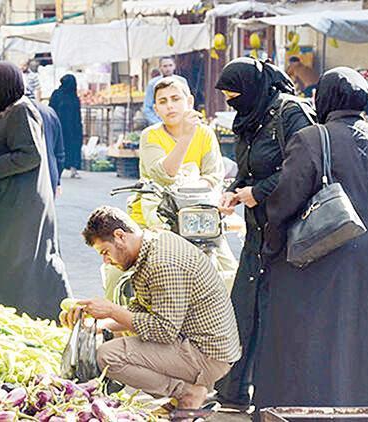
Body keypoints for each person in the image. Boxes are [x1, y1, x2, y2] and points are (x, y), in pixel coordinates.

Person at [255, 67, 368, 416]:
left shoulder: (313, 138)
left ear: (323, 99)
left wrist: (272, 247)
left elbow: (285, 200)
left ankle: (306, 412)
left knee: (313, 338)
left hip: (326, 250)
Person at [68, 206, 240, 416]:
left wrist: (112, 310)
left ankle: (187, 393)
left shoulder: (162, 264)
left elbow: (163, 330)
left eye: (105, 252)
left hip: (207, 354)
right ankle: (181, 397)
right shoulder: (152, 245)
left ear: (120, 236)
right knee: (119, 339)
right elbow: (141, 313)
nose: (106, 260)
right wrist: (95, 321)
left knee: (108, 356)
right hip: (195, 343)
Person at [213, 57, 314, 411]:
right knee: (244, 307)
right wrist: (235, 189)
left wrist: (259, 191)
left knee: (274, 314)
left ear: (254, 89)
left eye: (235, 94)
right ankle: (232, 391)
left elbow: (304, 168)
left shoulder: (290, 113)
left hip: (287, 230)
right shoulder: (251, 117)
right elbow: (248, 166)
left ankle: (272, 395)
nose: (231, 102)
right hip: (257, 230)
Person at [0, 61, 70, 321]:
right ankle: (3, 315)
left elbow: (30, 155)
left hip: (20, 205)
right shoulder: (8, 109)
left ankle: (28, 316)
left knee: (13, 262)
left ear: (7, 86)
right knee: (3, 261)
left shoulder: (22, 111)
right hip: (9, 200)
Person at [134, 76, 237, 290]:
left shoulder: (205, 133)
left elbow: (214, 175)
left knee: (231, 273)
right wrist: (186, 138)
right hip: (159, 215)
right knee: (129, 274)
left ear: (189, 102)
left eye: (175, 99)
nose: (170, 105)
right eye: (163, 101)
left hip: (198, 216)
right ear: (156, 108)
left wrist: (197, 186)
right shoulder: (150, 136)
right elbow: (164, 174)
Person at [50, 74, 82, 179]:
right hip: (68, 127)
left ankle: (71, 168)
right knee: (67, 148)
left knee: (64, 147)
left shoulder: (58, 95)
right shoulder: (72, 97)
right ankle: (66, 168)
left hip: (64, 127)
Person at [143, 57, 189, 125]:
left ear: (174, 66)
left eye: (170, 65)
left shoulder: (181, 81)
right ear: (160, 68)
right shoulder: (153, 84)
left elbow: (187, 102)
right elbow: (147, 108)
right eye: (165, 66)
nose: (168, 69)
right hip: (160, 122)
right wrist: (159, 123)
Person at [33, 100, 65, 196]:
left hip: (23, 181)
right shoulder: (49, 112)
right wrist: (57, 181)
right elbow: (59, 153)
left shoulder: (12, 111)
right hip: (49, 176)